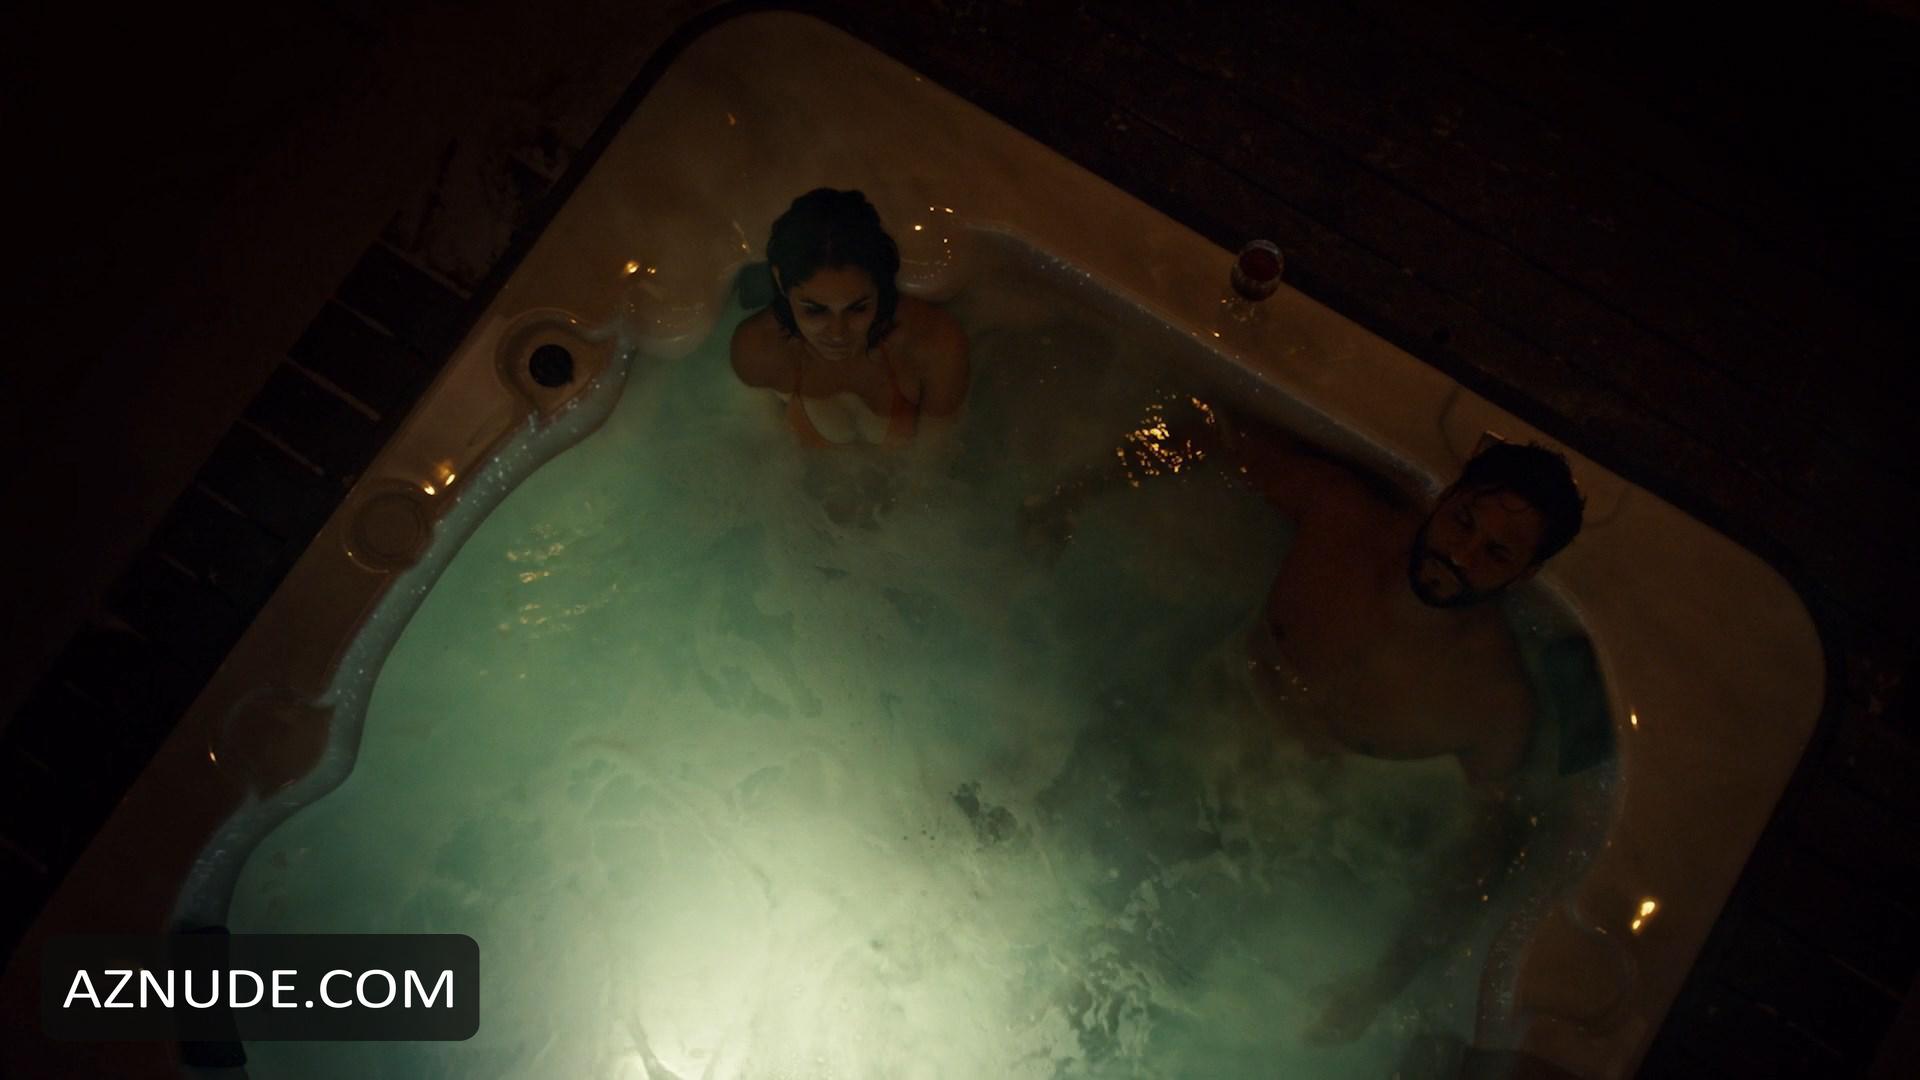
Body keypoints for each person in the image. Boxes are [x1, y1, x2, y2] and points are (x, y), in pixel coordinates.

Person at [1025, 405, 1585, 1042]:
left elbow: (1480, 859)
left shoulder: (1494, 702)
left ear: (1525, 573)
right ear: (1446, 494)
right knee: (1032, 859)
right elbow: (1204, 429)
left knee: (1124, 998)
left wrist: (1379, 986)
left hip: (1269, 841)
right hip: (1185, 728)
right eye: (1463, 521)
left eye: (1496, 552)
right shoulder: (1342, 520)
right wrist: (1071, 495)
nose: (1460, 554)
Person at [731, 188, 969, 448]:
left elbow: (934, 457)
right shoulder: (758, 350)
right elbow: (761, 451)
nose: (838, 333)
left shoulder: (934, 345)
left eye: (858, 308)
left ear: (879, 285)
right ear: (780, 280)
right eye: (815, 310)